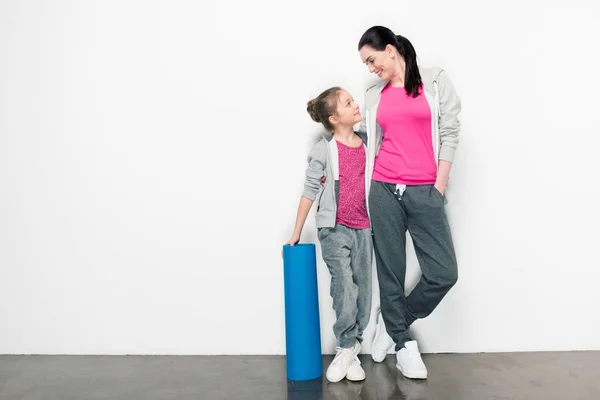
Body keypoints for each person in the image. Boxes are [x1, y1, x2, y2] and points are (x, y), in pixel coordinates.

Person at [357, 25, 461, 379]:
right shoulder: (374, 93)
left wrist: (439, 187)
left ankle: (393, 319)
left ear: (390, 50)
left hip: (425, 192)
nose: (371, 68)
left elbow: (450, 131)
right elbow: (371, 138)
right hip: (384, 188)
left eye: (372, 60)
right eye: (366, 64)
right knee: (390, 271)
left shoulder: (433, 82)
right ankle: (402, 343)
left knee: (444, 274)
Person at [287, 87, 373, 383]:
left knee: (363, 290)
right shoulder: (324, 149)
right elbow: (310, 189)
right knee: (344, 288)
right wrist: (296, 232)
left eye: (353, 99)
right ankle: (347, 345)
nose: (355, 104)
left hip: (364, 228)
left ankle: (353, 350)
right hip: (334, 229)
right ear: (335, 118)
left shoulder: (367, 143)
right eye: (348, 103)